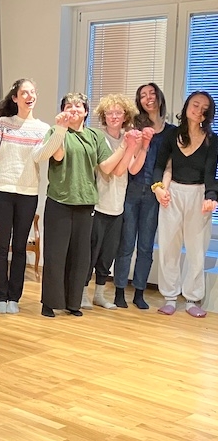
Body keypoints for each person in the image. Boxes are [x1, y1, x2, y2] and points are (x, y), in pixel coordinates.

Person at [38, 93, 136, 317]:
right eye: (69, 105)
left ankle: (73, 303)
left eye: (78, 106)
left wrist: (125, 146)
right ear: (63, 110)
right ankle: (50, 303)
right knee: (56, 254)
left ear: (85, 111)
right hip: (59, 201)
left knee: (80, 257)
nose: (74, 109)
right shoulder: (56, 132)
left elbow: (107, 167)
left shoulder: (94, 136)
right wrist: (61, 128)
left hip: (86, 203)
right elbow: (59, 156)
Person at [0, 79, 51, 314]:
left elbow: (41, 156)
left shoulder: (42, 128)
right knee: (2, 245)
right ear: (15, 98)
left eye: (32, 92)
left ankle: (14, 297)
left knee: (19, 246)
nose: (29, 96)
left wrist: (58, 132)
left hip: (28, 192)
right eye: (24, 92)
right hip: (2, 190)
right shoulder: (4, 123)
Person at [152, 91, 218, 317]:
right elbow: (159, 166)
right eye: (195, 104)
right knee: (169, 245)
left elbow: (210, 173)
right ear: (187, 105)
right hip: (173, 193)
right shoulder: (171, 135)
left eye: (204, 108)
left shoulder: (212, 140)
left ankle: (192, 298)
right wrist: (159, 188)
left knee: (196, 249)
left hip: (198, 194)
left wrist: (212, 196)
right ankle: (169, 296)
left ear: (207, 115)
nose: (198, 109)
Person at [81, 94, 143, 311]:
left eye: (118, 112)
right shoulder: (98, 137)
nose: (114, 116)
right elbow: (112, 169)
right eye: (110, 113)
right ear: (103, 116)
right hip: (98, 204)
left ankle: (99, 294)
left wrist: (142, 145)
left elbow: (133, 168)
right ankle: (82, 294)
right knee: (90, 253)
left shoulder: (128, 137)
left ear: (125, 115)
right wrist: (127, 147)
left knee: (107, 254)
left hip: (118, 206)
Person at [113, 83, 173, 309]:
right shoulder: (135, 127)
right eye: (143, 96)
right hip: (131, 190)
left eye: (152, 94)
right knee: (126, 243)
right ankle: (119, 290)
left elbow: (169, 165)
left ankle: (139, 291)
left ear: (159, 96)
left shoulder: (171, 132)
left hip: (153, 194)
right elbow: (132, 163)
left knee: (146, 246)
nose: (148, 98)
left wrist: (162, 189)